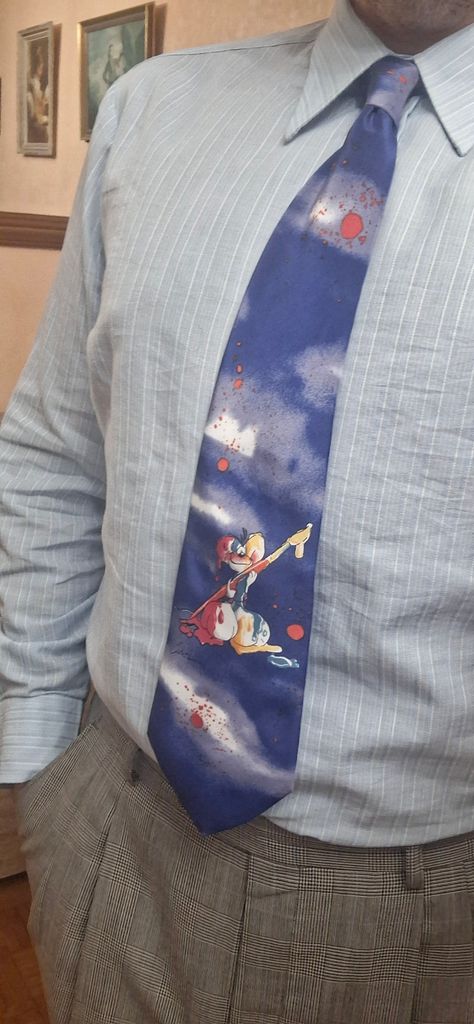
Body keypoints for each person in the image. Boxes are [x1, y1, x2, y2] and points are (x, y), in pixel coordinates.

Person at [1, 0, 474, 1020]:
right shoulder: (150, 112)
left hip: (426, 910)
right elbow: (55, 448)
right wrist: (36, 768)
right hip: (114, 827)